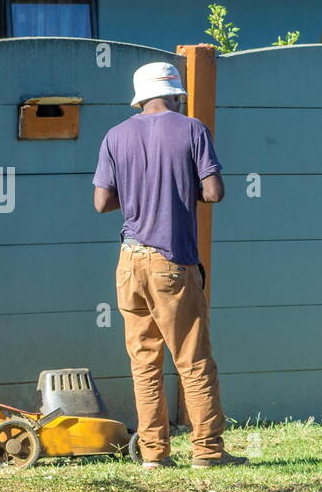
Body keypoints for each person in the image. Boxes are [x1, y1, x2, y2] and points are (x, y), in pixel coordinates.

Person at [93, 61, 247, 470]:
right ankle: (208, 452)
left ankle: (154, 455)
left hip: (129, 262)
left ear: (139, 96)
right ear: (177, 93)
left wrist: (141, 189)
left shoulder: (115, 135)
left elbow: (102, 202)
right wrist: (176, 186)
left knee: (144, 363)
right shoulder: (192, 129)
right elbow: (214, 193)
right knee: (193, 360)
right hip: (172, 262)